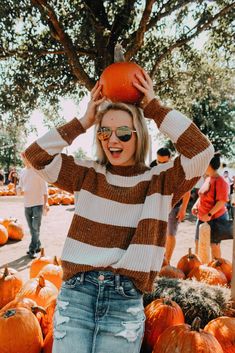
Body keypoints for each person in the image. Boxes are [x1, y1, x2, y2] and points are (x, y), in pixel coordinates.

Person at [24, 70, 213, 353]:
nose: (113, 140)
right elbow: (34, 156)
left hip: (124, 301)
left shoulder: (160, 182)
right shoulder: (86, 174)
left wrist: (155, 109)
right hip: (77, 293)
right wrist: (83, 121)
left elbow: (201, 152)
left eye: (124, 133)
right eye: (104, 131)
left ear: (140, 136)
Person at [150, 148, 191, 262]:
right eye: (159, 162)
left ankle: (167, 261)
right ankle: (157, 260)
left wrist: (183, 209)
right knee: (156, 234)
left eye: (164, 163)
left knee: (170, 234)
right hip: (157, 204)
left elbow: (186, 191)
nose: (161, 165)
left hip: (174, 206)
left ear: (170, 159)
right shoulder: (153, 166)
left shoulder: (178, 169)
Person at [192, 153, 229, 259]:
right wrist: (195, 205)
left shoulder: (221, 181)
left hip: (216, 218)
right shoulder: (208, 179)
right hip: (202, 217)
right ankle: (200, 268)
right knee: (198, 242)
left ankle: (216, 269)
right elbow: (202, 196)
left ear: (208, 165)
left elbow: (222, 201)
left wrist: (209, 214)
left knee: (214, 246)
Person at [16, 154, 49, 259]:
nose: (24, 159)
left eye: (25, 156)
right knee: (32, 229)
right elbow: (20, 186)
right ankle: (38, 245)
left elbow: (45, 189)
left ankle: (32, 249)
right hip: (27, 204)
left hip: (38, 204)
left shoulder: (38, 171)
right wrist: (18, 189)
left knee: (35, 227)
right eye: (23, 157)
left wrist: (46, 203)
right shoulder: (22, 171)